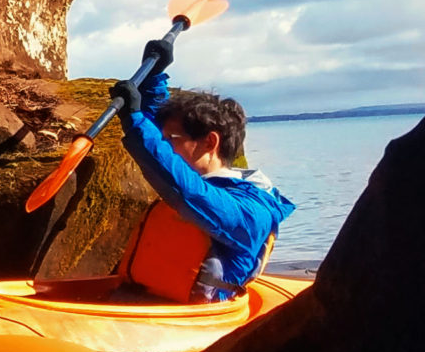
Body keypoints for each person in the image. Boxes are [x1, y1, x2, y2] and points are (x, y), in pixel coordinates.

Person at [112, 67, 295, 302]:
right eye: (164, 140)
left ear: (210, 142)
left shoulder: (250, 211)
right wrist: (154, 77)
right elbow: (160, 143)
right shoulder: (199, 179)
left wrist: (135, 121)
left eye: (172, 140)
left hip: (195, 317)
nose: (165, 146)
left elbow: (188, 191)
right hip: (143, 300)